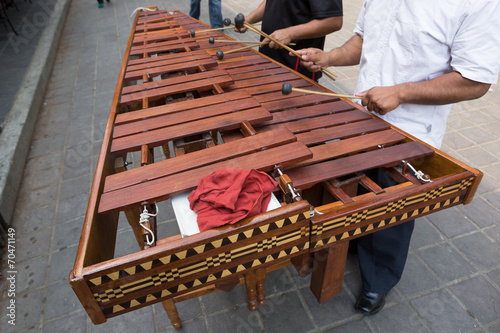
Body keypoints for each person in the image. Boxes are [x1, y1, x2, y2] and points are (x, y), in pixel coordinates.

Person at [295, 0, 500, 315]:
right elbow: (364, 40)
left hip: (411, 131)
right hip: (363, 116)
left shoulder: (478, 4)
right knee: (356, 193)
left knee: (391, 215)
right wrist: (329, 57)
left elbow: (476, 80)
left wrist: (401, 92)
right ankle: (352, 241)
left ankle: (379, 278)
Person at [235, 0, 343, 81]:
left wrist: (290, 33)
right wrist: (249, 19)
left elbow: (334, 21)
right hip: (267, 59)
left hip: (296, 66)